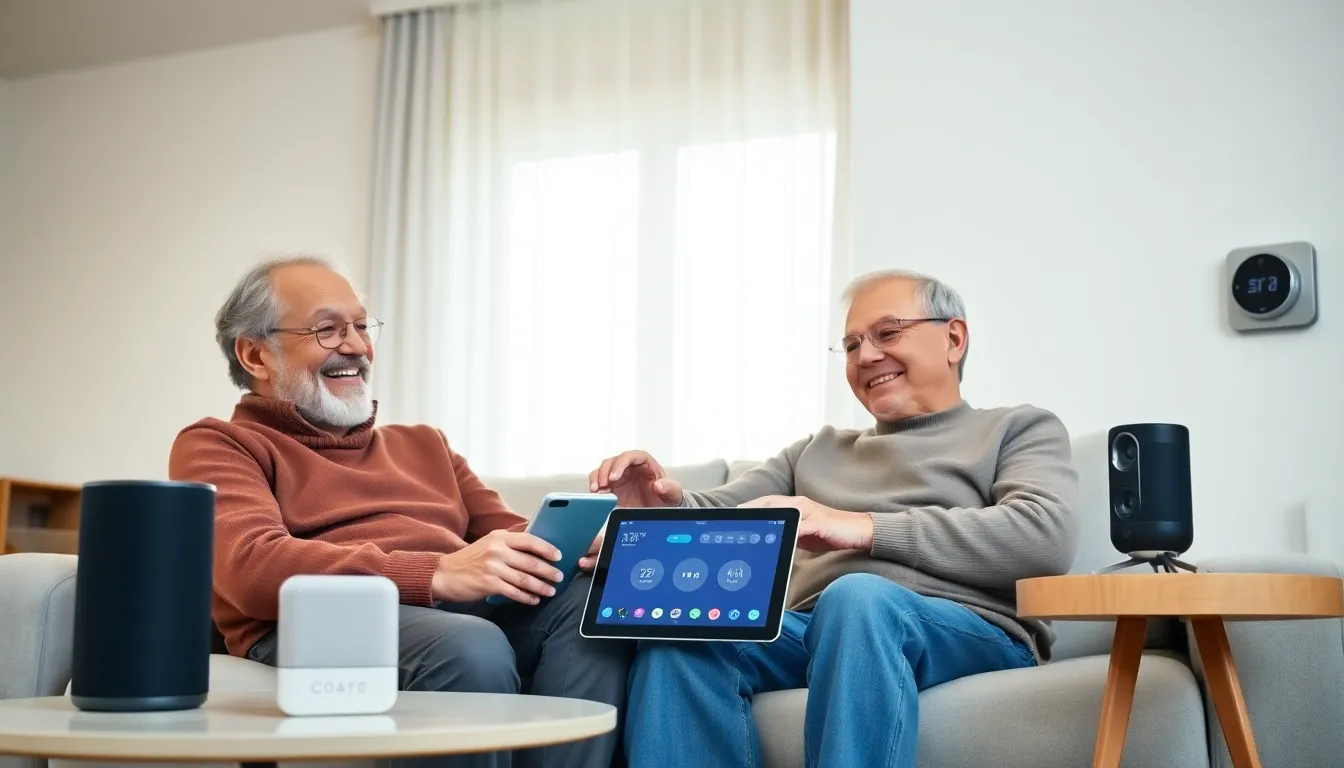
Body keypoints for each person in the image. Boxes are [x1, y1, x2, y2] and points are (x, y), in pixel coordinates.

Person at [582, 269, 1080, 768]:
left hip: (968, 631)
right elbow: (723, 510)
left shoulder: (1017, 428)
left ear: (954, 338)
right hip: (817, 630)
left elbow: (1044, 533)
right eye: (851, 345)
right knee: (684, 638)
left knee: (858, 597)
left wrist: (858, 527)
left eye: (887, 333)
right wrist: (666, 510)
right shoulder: (814, 451)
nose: (866, 356)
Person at [169, 255, 633, 768]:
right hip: (323, 623)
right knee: (467, 645)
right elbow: (251, 568)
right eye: (327, 329)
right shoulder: (218, 444)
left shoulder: (425, 444)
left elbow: (508, 532)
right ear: (256, 354)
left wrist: (577, 542)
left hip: (454, 614)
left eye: (362, 326)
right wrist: (435, 573)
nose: (356, 346)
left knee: (594, 609)